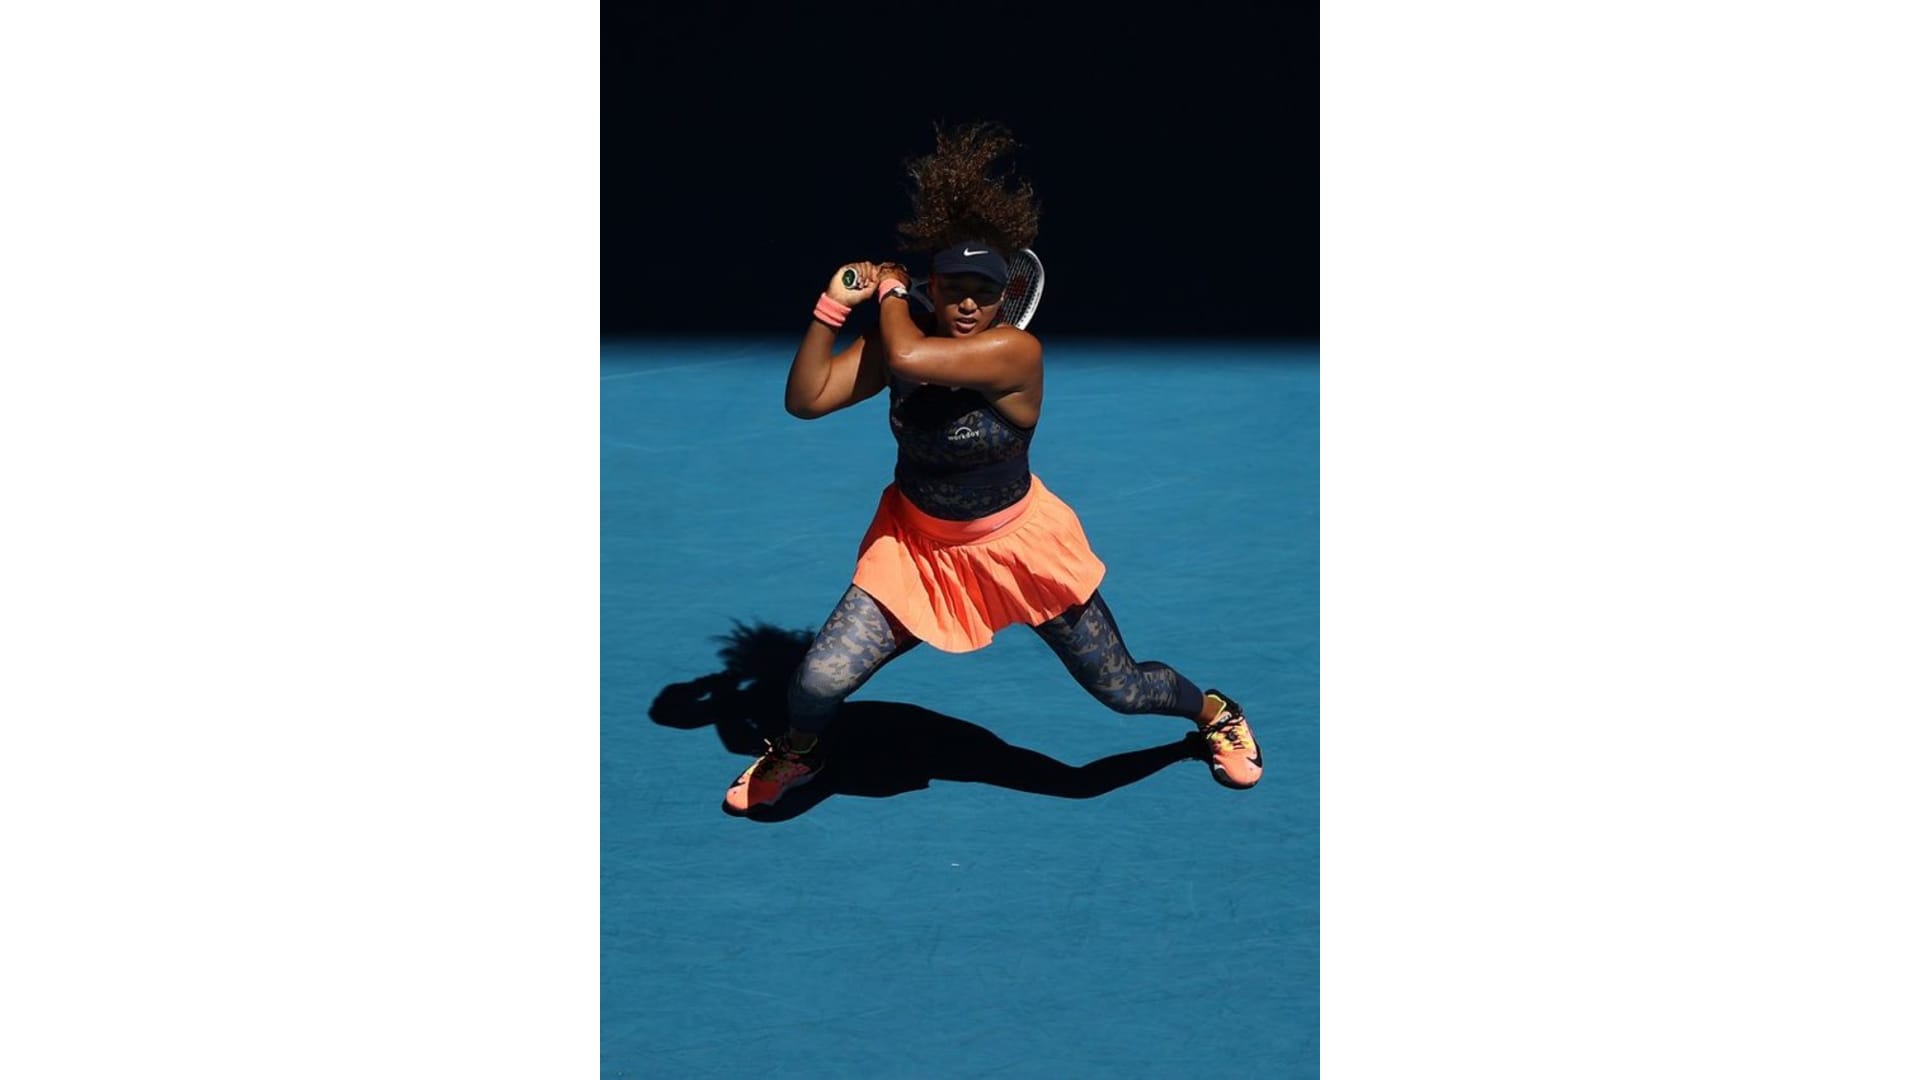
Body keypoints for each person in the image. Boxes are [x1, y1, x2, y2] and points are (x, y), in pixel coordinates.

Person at [725, 122, 1261, 814]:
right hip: (916, 550)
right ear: (937, 285)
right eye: (955, 288)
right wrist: (832, 308)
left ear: (1006, 295)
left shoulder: (1014, 353)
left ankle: (1214, 712)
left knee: (1123, 689)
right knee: (815, 683)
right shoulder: (903, 336)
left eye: (984, 290)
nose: (969, 303)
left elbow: (910, 357)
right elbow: (807, 400)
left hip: (1019, 550)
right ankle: (802, 750)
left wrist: (889, 293)